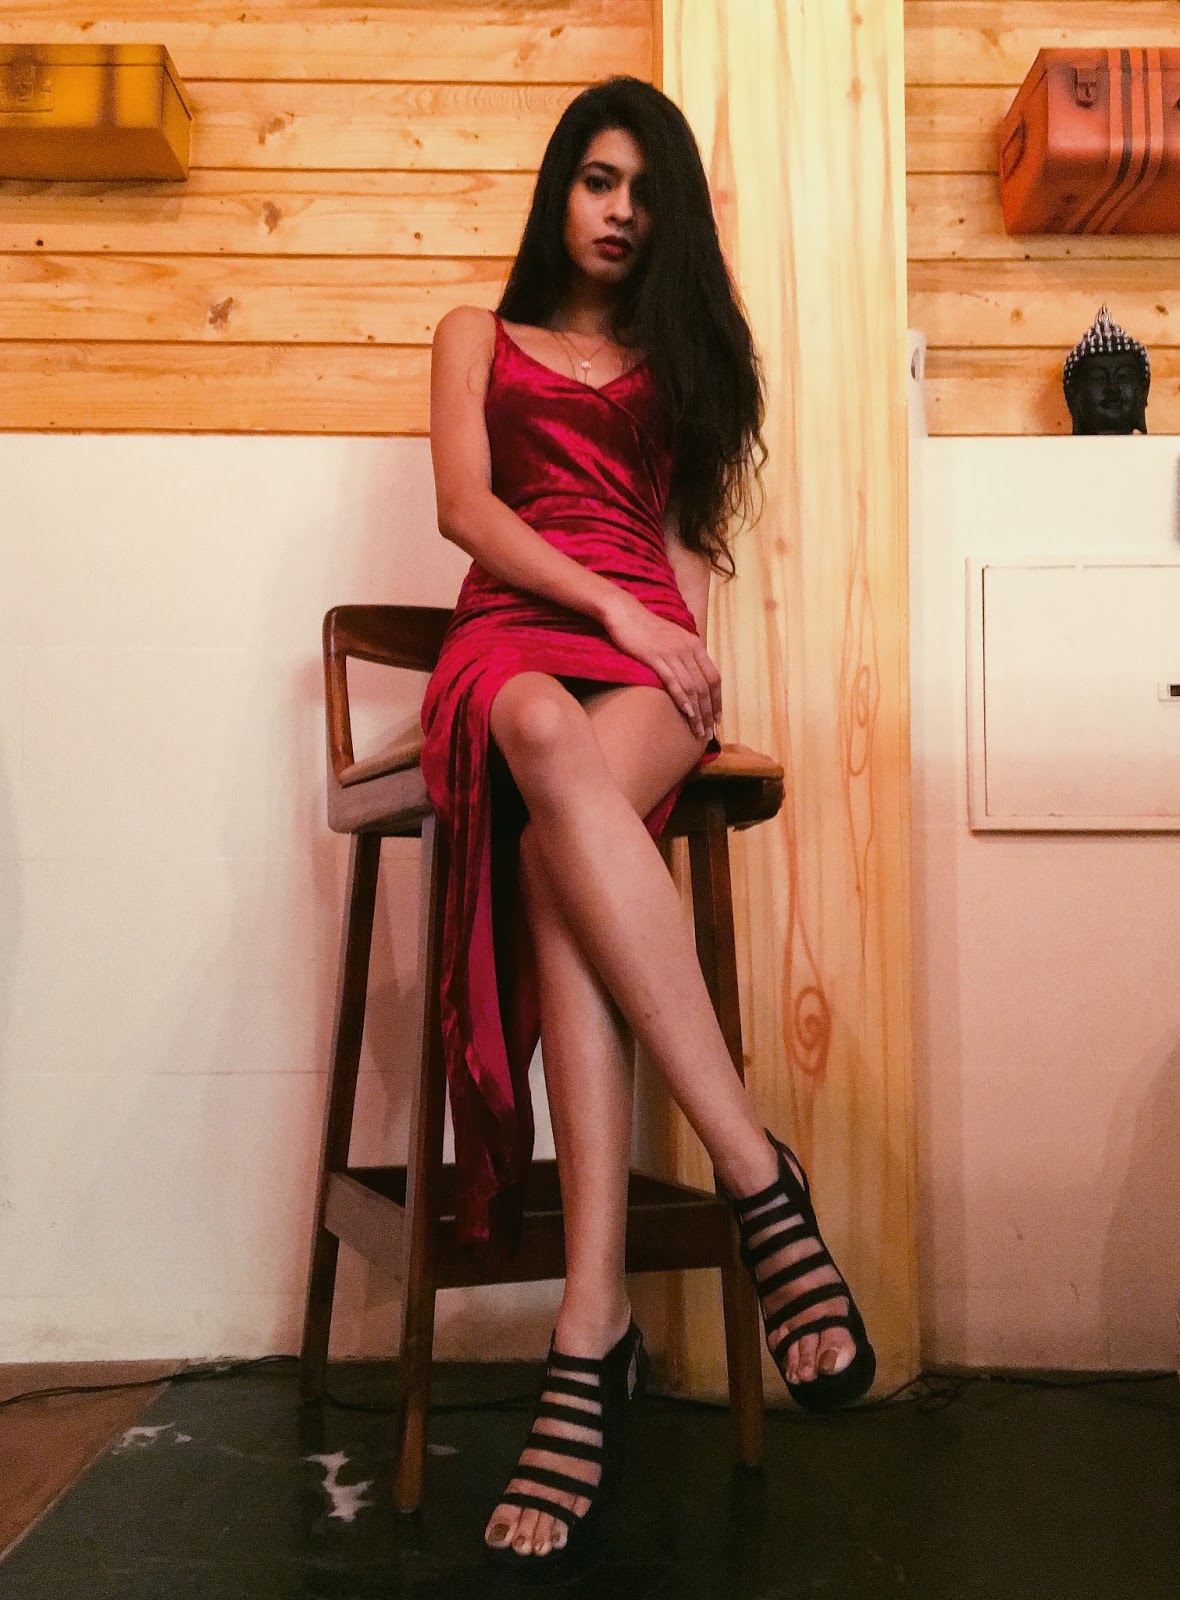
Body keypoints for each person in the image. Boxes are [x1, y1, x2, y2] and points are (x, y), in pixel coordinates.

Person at [419, 75, 875, 1579]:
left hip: (647, 662)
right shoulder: (475, 336)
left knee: (557, 840)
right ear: (560, 187)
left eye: (647, 193)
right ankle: (759, 1179)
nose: (621, 211)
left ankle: (588, 1328)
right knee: (544, 746)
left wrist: (668, 640)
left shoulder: (678, 363)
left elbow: (682, 546)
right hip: (517, 634)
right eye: (600, 179)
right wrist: (614, 609)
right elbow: (469, 511)